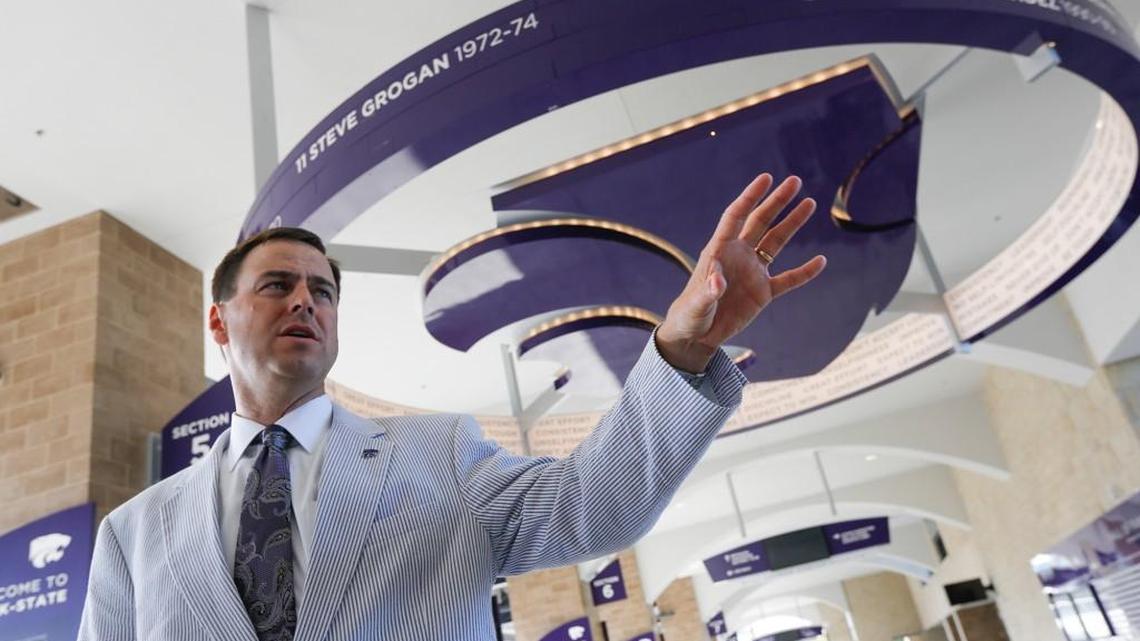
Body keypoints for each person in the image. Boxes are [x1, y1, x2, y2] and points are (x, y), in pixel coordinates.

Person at [77, 173, 826, 641]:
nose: (306, 300)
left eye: (323, 291)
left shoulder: (440, 456)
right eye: (278, 285)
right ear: (218, 322)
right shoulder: (134, 535)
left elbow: (593, 506)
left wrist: (682, 348)